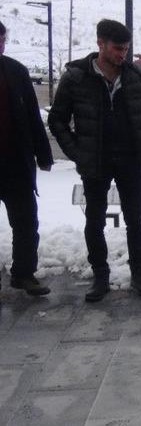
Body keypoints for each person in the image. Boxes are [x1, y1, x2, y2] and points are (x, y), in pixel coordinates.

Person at [49, 19, 141, 302]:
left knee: (136, 219)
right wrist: (77, 151)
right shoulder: (76, 77)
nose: (122, 54)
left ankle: (139, 274)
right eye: (117, 48)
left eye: (126, 49)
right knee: (94, 220)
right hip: (95, 162)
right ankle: (100, 276)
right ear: (100, 44)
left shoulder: (134, 76)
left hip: (131, 160)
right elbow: (57, 120)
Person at [0, 20, 54, 301]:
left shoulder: (15, 71)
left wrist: (43, 154)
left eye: (2, 41)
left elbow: (32, 116)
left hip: (14, 163)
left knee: (25, 222)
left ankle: (24, 273)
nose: (0, 46)